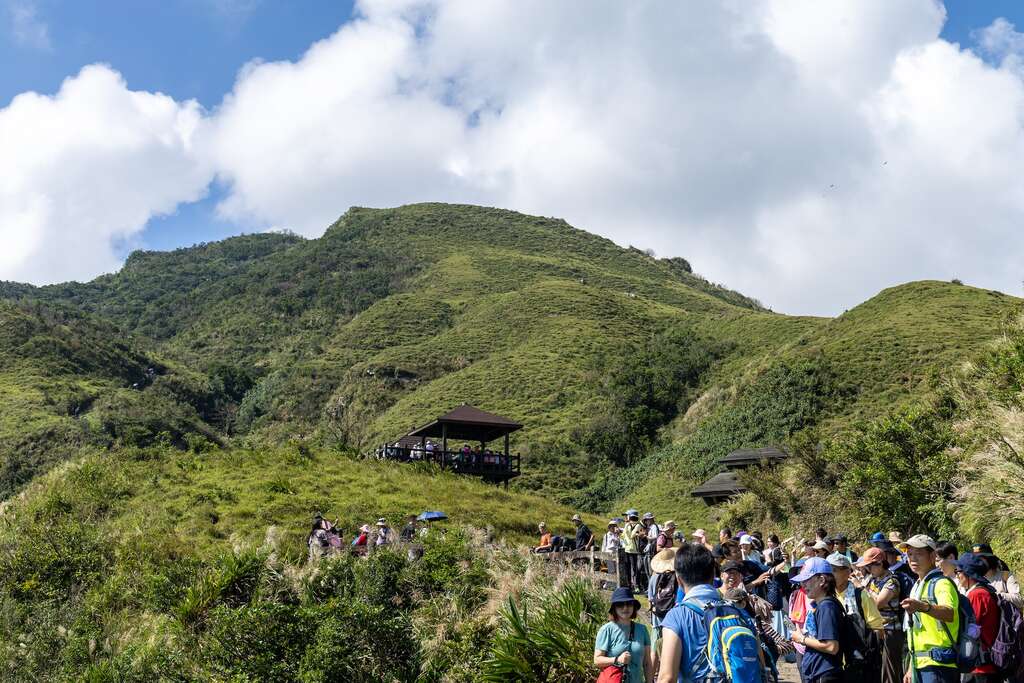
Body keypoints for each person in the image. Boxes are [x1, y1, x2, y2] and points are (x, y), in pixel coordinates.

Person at [657, 542, 722, 683]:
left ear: (679, 580)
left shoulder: (676, 616)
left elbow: (667, 678)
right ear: (713, 575)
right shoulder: (738, 611)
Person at [901, 534, 959, 683]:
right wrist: (911, 667)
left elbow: (950, 613)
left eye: (919, 554)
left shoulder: (942, 583)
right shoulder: (918, 585)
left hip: (939, 664)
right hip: (920, 663)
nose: (913, 559)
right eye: (910, 554)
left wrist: (923, 606)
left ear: (932, 556)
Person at [827, 552, 882, 681]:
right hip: (834, 663)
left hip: (859, 665)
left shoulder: (861, 595)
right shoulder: (827, 597)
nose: (830, 575)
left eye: (834, 570)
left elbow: (878, 629)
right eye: (828, 571)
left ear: (847, 572)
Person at [789, 557, 844, 683]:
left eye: (807, 580)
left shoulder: (827, 607)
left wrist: (802, 639)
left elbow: (831, 646)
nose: (803, 585)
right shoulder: (820, 605)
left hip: (824, 674)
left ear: (822, 580)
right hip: (817, 673)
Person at [858, 546, 905, 683]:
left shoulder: (892, 582)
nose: (867, 570)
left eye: (869, 566)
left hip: (891, 632)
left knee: (889, 672)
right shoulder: (872, 580)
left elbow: (878, 603)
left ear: (880, 563)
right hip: (876, 631)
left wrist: (862, 588)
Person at [953, 552, 1002, 683]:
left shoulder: (977, 595)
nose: (956, 576)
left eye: (958, 571)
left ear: (968, 574)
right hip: (985, 662)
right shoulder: (985, 590)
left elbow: (969, 627)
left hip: (981, 665)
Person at [595, 586, 654, 683]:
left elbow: (647, 662)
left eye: (629, 604)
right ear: (614, 608)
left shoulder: (642, 629)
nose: (625, 608)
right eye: (620, 605)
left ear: (633, 607)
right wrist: (617, 659)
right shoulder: (606, 630)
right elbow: (597, 660)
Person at [973, 542, 1023, 610]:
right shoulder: (974, 581)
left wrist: (995, 595)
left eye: (980, 559)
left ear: (989, 558)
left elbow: (1019, 600)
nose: (977, 563)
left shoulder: (1006, 576)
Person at [622, 510, 645, 593]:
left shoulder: (638, 525)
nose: (625, 518)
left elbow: (631, 535)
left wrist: (627, 526)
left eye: (626, 516)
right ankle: (629, 585)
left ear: (630, 516)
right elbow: (623, 535)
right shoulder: (628, 525)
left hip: (634, 551)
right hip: (627, 549)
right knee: (627, 568)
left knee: (634, 569)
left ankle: (636, 586)